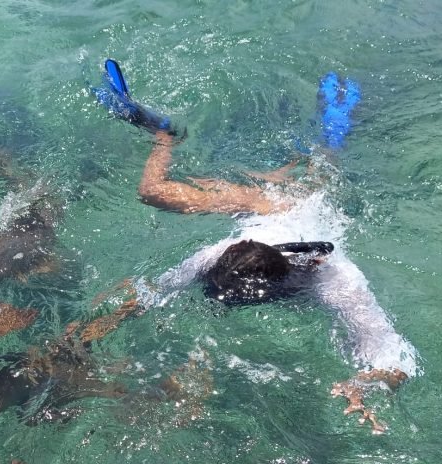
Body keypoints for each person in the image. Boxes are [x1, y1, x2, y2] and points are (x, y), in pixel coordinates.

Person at [94, 59, 418, 433]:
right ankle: (165, 133)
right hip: (260, 207)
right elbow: (153, 291)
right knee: (150, 192)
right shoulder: (216, 257)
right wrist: (102, 324)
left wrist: (366, 384)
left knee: (320, 173)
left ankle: (333, 131)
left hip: (296, 204)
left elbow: (395, 358)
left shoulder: (334, 279)